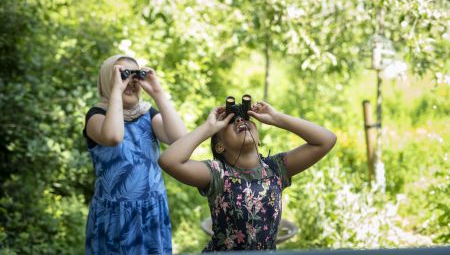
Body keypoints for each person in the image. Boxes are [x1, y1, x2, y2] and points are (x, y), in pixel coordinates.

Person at [158, 97, 337, 252]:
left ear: (258, 139)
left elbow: (326, 140)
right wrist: (209, 128)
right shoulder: (217, 173)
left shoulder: (276, 168)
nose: (239, 121)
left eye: (245, 118)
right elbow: (169, 161)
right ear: (220, 147)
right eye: (231, 121)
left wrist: (276, 118)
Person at [83, 54, 187, 254]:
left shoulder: (147, 113)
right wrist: (116, 91)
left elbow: (180, 138)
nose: (129, 83)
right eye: (122, 75)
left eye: (134, 76)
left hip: (151, 212)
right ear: (108, 81)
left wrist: (157, 93)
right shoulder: (96, 116)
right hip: (114, 216)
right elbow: (113, 136)